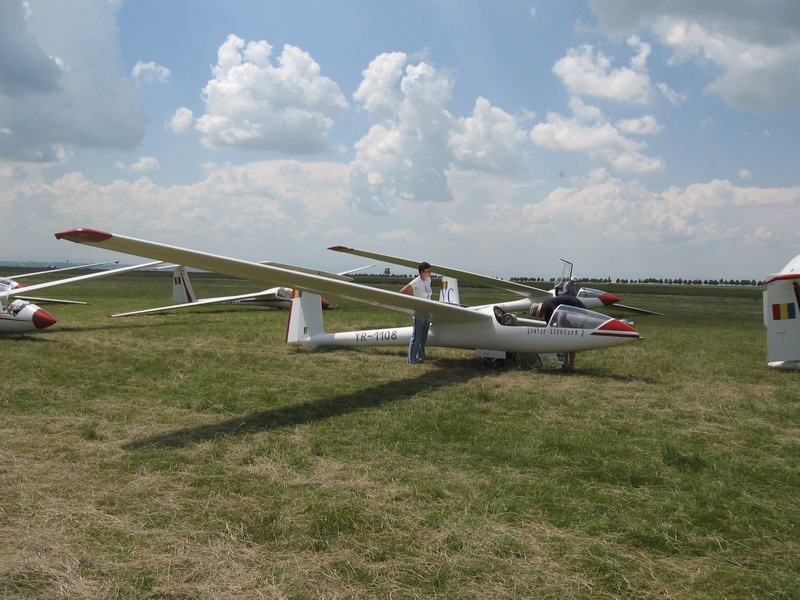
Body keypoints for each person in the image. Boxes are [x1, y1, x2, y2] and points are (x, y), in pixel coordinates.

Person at [530, 295, 586, 369]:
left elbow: (560, 315)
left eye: (539, 314)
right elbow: (550, 328)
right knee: (563, 344)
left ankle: (570, 365)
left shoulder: (548, 304)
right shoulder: (547, 315)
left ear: (542, 309)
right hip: (569, 314)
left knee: (570, 340)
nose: (540, 316)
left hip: (577, 308)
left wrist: (560, 331)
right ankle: (563, 365)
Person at [400, 262, 432, 364]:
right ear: (422, 272)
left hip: (427, 311)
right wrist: (414, 298)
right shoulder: (416, 281)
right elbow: (403, 291)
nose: (430, 273)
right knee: (416, 336)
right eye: (428, 271)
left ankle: (421, 356)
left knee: (423, 336)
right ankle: (411, 359)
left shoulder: (428, 280)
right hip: (418, 312)